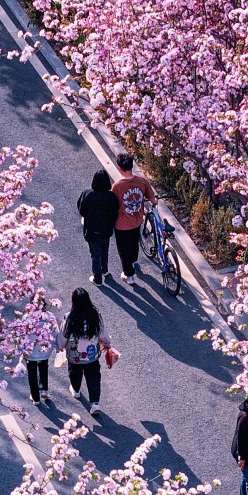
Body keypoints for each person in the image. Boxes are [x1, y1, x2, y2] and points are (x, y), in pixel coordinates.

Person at [56, 288, 112, 415]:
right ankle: (95, 403)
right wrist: (107, 342)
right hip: (92, 355)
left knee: (74, 373)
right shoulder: (95, 314)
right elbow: (102, 331)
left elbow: (64, 334)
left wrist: (61, 345)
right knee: (93, 377)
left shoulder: (69, 317)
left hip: (74, 355)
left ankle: (76, 390)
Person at [111, 153, 156, 285]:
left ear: (120, 168)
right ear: (132, 166)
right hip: (137, 220)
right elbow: (153, 199)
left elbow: (113, 204)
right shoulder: (142, 181)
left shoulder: (117, 186)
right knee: (134, 241)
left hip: (121, 224)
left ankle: (128, 275)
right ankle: (134, 259)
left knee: (123, 250)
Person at [77, 169, 119, 286]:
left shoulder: (87, 194)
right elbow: (115, 213)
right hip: (106, 230)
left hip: (92, 230)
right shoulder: (112, 197)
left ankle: (97, 278)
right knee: (105, 249)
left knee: (95, 254)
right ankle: (105, 270)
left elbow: (82, 210)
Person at [25, 321, 54, 406]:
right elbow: (55, 332)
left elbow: (21, 335)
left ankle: (35, 398)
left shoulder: (27, 317)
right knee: (43, 367)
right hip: (44, 350)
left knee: (32, 373)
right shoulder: (49, 317)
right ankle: (44, 389)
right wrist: (57, 345)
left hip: (30, 351)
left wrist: (20, 349)